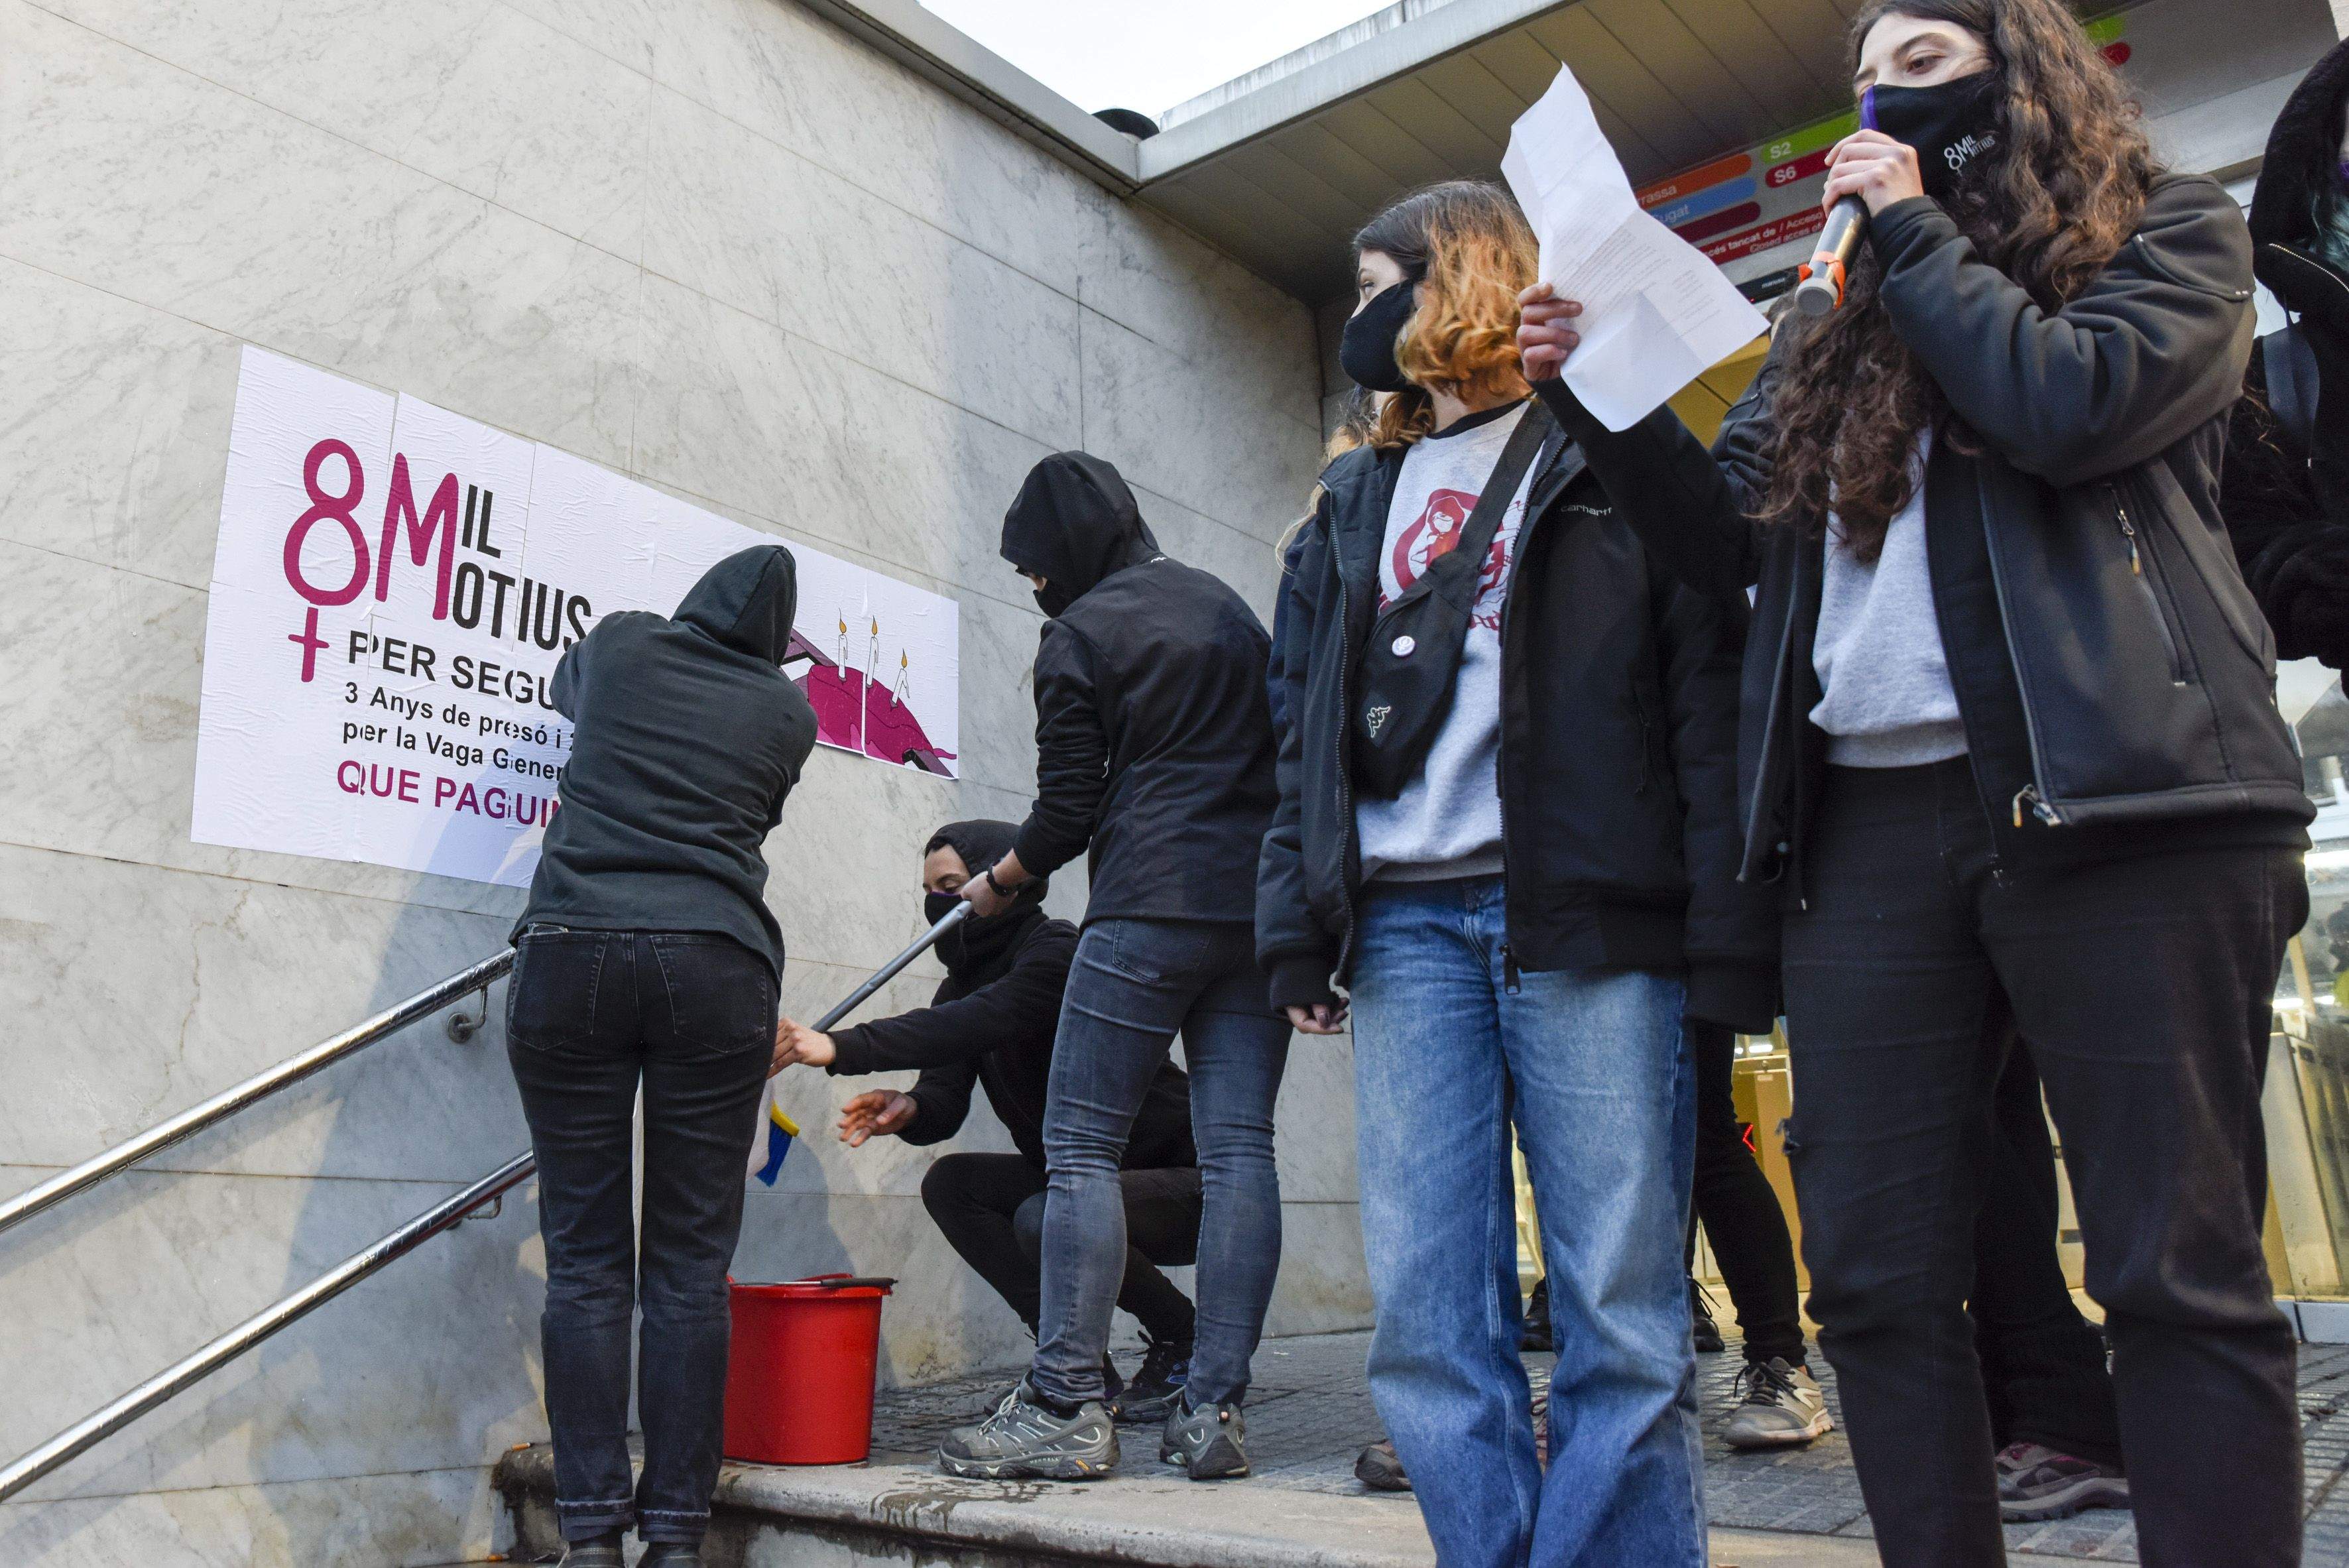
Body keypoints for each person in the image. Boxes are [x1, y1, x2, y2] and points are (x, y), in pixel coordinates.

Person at [1517, 1, 2313, 1561]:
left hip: (2127, 803)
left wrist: (1909, 230)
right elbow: (1735, 547)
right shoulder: (1841, 313)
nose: (1881, 92)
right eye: (1866, 73)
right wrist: (1594, 397)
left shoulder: (2173, 229)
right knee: (1874, 1274)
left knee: (2175, 1266)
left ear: (2029, 77)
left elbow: (2067, 405)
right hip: (1869, 822)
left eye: (1927, 58)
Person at [1257, 180, 1776, 1568]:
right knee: (1428, 1315)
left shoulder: (1603, 460)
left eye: (1383, 281)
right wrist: (1293, 931)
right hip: (1407, 923)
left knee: (1619, 1301)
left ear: (1466, 279)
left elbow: (1700, 692)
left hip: (1589, 913)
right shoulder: (1352, 500)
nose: (1364, 315)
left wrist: (1725, 931)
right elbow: (1297, 727)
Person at [936, 452, 1289, 1482]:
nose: (1036, 586)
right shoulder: (1225, 605)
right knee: (1240, 1155)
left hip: (1147, 901)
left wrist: (1001, 879)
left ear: (1064, 558)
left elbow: (1065, 811)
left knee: (1077, 1148)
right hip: (1255, 915)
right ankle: (1213, 1407)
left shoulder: (1077, 635)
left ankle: (1060, 1403)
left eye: (1034, 568)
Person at [505, 546, 819, 1568]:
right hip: (715, 962)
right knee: (687, 1269)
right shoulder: (789, 715)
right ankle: (675, 1539)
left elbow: (565, 693)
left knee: (586, 1260)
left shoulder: (625, 641)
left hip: (570, 948)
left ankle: (590, 1536)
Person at [770, 819, 1204, 1423]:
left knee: (1048, 1211)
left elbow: (982, 1020)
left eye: (953, 885)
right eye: (931, 890)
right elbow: (946, 1087)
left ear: (1005, 881)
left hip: (1183, 1180)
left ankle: (1183, 1337)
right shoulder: (962, 983)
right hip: (1082, 1189)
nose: (939, 904)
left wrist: (842, 1046)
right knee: (953, 1183)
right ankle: (1077, 1360)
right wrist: (912, 1108)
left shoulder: (1056, 951)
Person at [1685, 1020, 1832, 1449]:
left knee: (1701, 1127)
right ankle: (1625, 1379)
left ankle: (1781, 1362)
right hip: (1561, 964)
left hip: (1670, 960)